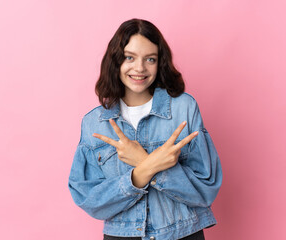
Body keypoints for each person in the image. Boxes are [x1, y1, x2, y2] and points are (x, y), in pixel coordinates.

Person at [68, 18, 222, 240]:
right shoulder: (94, 122)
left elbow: (206, 189)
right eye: (130, 57)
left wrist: (142, 160)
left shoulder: (183, 109)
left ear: (160, 63)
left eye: (150, 59)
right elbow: (89, 199)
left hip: (182, 233)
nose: (139, 68)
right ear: (116, 61)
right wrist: (142, 171)